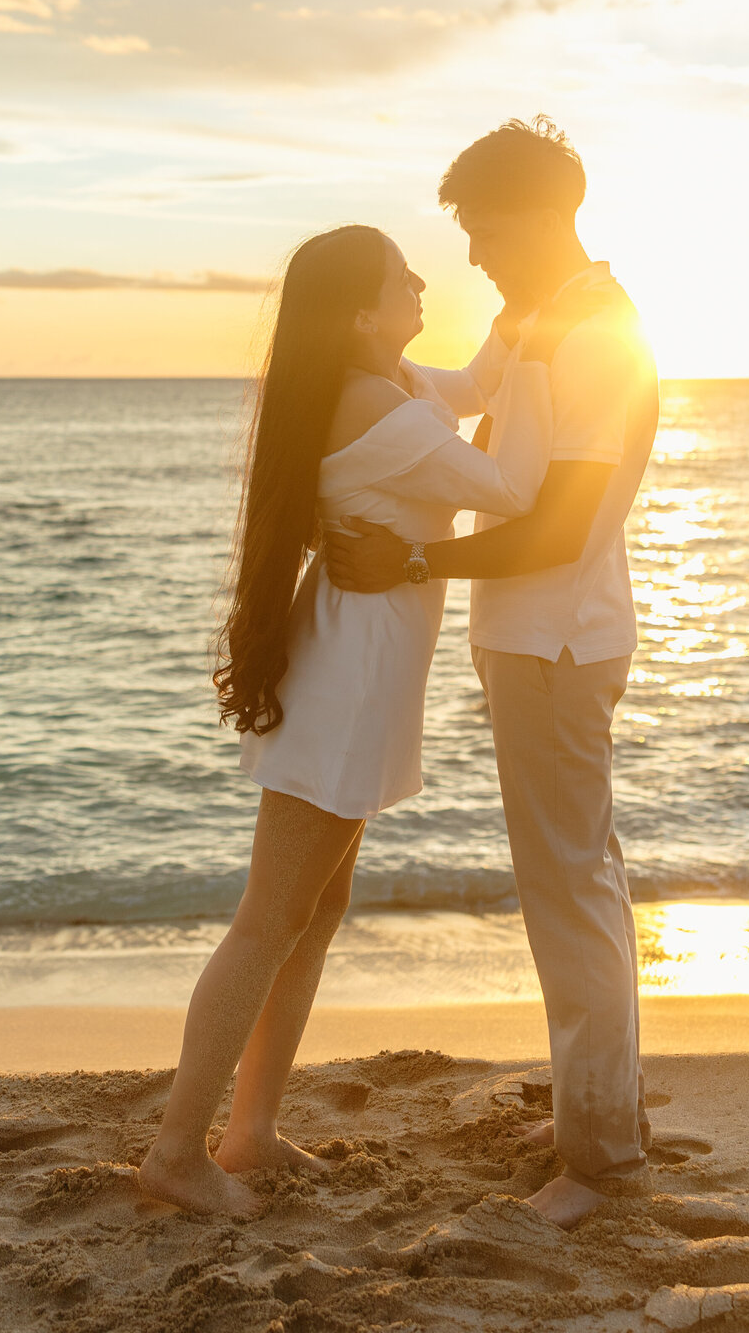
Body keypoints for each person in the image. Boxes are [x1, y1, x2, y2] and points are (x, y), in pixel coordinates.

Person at [138, 221, 600, 1218]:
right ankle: (181, 1152)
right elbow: (514, 488)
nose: (424, 278)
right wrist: (550, 350)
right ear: (358, 312)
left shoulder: (387, 390)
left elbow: (476, 383)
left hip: (359, 675)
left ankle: (250, 1131)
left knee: (312, 912)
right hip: (348, 684)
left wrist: (530, 314)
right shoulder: (377, 409)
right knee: (271, 918)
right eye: (403, 277)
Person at [325, 118, 660, 1230]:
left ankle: (602, 1157)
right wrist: (347, 354)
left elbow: (556, 528)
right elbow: (457, 393)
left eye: (478, 226)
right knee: (579, 879)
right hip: (537, 635)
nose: (468, 253)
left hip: (558, 635)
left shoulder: (592, 335)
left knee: (570, 891)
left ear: (534, 212)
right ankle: (596, 1108)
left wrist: (415, 554)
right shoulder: (539, 319)